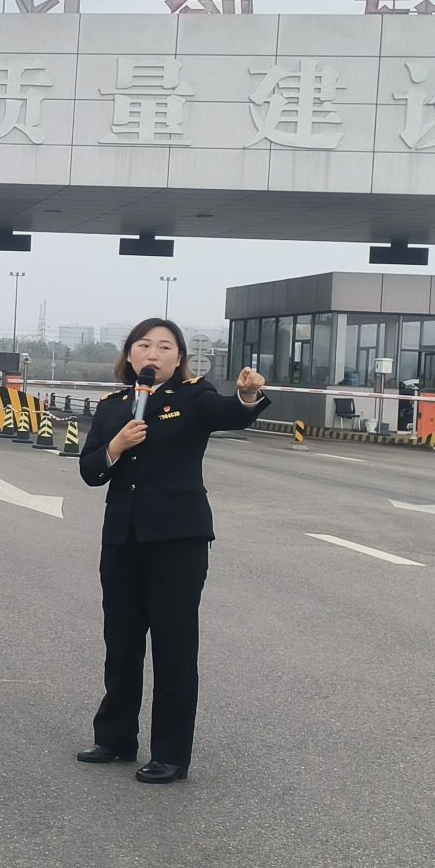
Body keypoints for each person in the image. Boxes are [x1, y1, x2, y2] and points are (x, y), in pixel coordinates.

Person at [76, 317, 268, 784]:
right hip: (122, 540)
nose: (153, 354)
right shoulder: (113, 406)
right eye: (144, 345)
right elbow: (90, 470)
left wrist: (246, 396)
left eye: (165, 347)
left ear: (179, 358)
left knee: (174, 646)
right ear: (129, 354)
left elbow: (230, 414)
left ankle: (170, 754)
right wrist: (115, 446)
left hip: (177, 541)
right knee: (121, 643)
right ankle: (115, 739)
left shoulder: (193, 397)